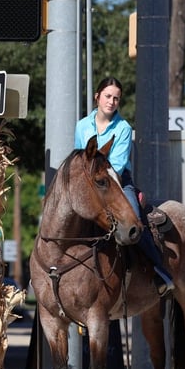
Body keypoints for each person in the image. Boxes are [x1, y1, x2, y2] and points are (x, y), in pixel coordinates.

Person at [74, 76, 174, 295]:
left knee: (133, 223)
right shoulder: (82, 125)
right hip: (89, 185)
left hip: (117, 182)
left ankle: (159, 271)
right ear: (97, 97)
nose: (111, 102)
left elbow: (116, 166)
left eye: (116, 99)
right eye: (108, 96)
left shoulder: (124, 128)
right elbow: (78, 157)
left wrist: (98, 182)